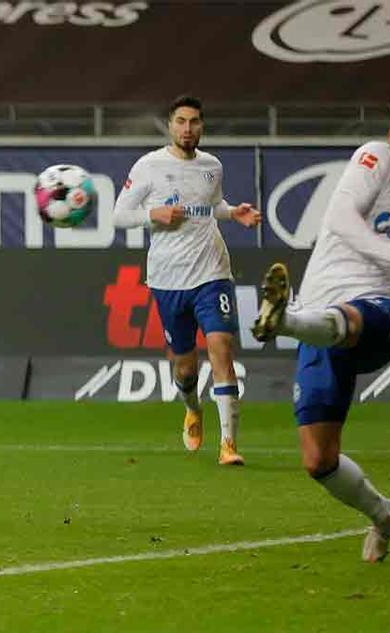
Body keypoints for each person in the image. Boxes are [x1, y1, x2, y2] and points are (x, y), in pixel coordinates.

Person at [252, 90, 390, 562]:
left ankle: (281, 319)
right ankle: (385, 514)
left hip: (382, 312)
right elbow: (340, 217)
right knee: (318, 460)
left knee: (349, 319)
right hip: (323, 315)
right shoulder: (379, 157)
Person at [113, 95, 262, 465]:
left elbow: (211, 207)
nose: (187, 128)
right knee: (185, 365)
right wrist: (154, 214)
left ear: (202, 126)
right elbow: (119, 215)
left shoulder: (212, 166)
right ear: (170, 125)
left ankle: (229, 444)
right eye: (181, 121)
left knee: (222, 348)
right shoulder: (149, 166)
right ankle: (192, 407)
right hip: (168, 278)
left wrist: (233, 212)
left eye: (194, 122)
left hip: (212, 272)